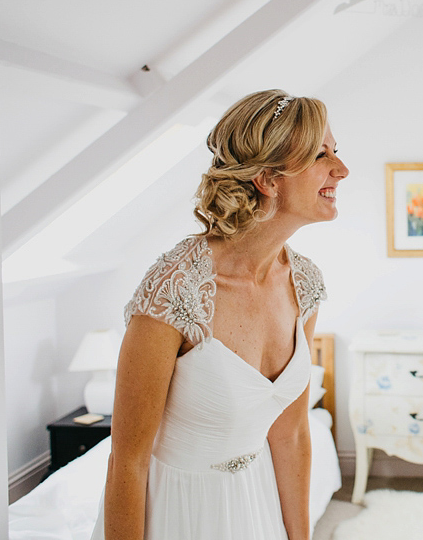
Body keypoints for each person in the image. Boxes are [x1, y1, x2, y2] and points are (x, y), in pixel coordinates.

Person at [93, 89, 348, 540]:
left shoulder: (304, 284)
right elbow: (128, 461)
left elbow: (288, 435)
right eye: (319, 155)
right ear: (269, 179)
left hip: (256, 504)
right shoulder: (174, 288)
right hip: (178, 514)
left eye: (335, 152)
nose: (341, 170)